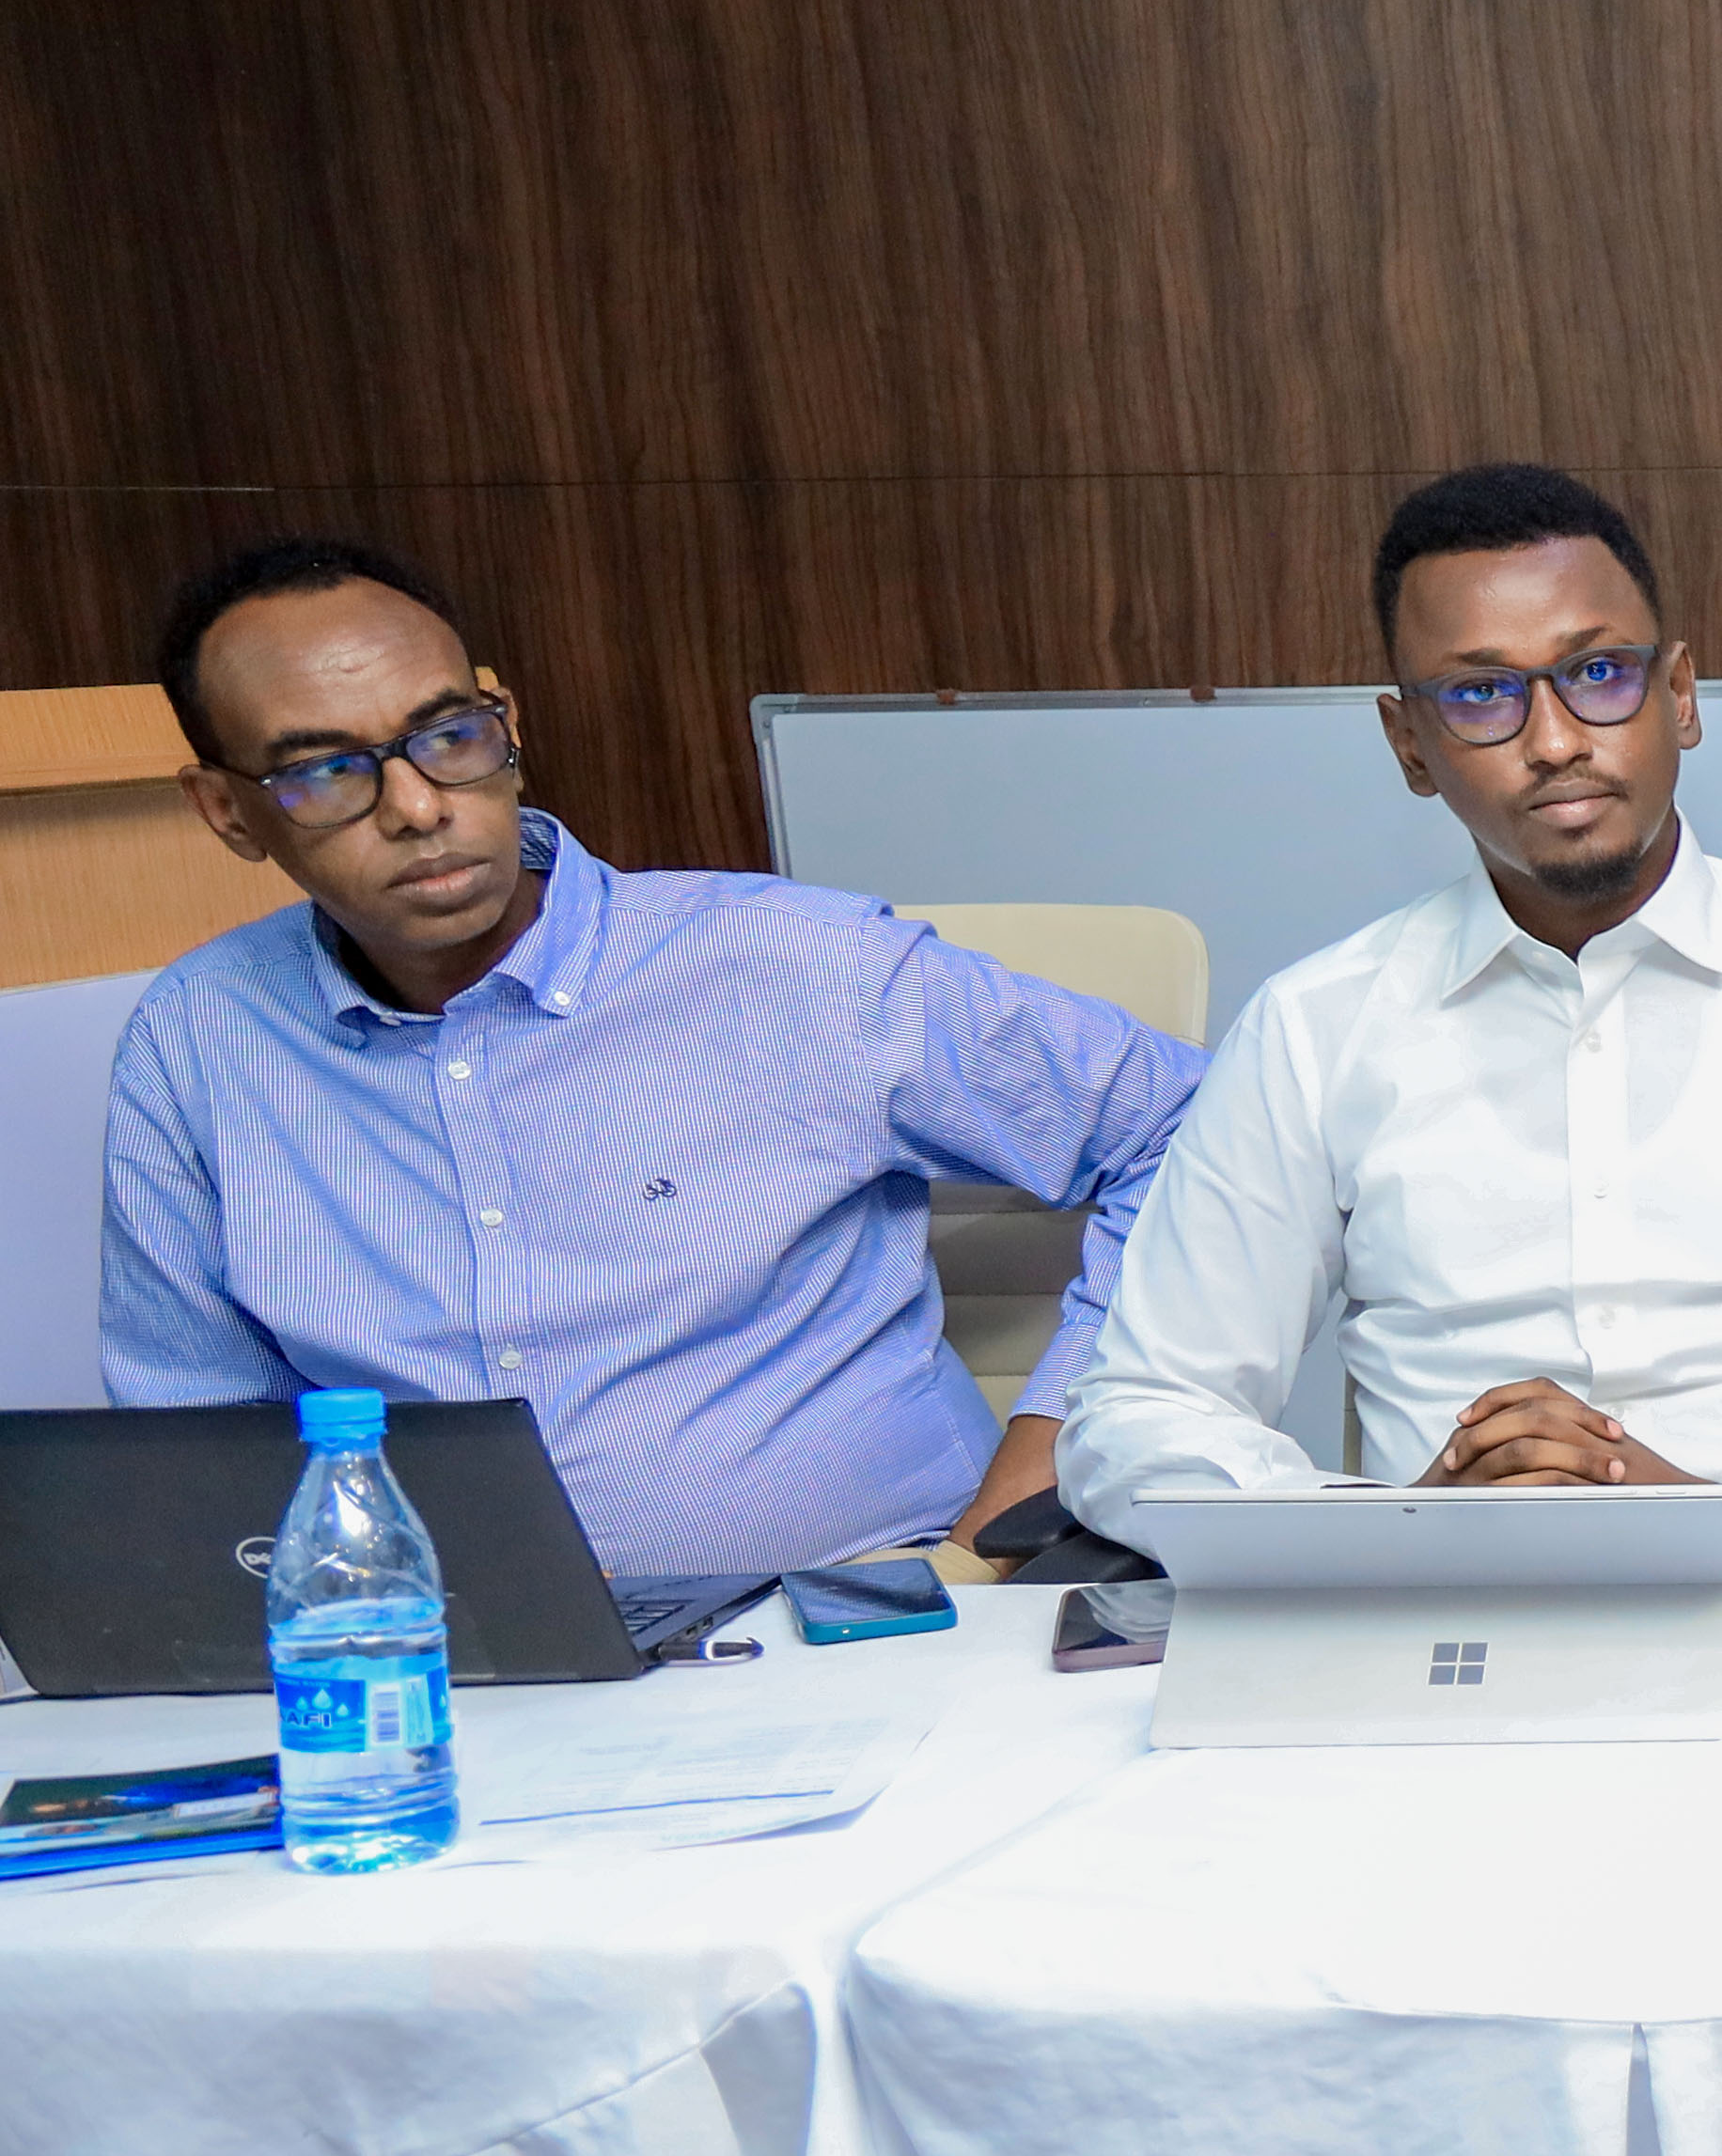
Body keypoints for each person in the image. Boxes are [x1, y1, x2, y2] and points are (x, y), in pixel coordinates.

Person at [1057, 463, 1722, 1564]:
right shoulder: (1314, 1030)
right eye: (1480, 695)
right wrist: (1400, 1527)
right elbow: (1134, 1420)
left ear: (1681, 695)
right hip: (1451, 1612)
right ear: (1409, 745)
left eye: (1599, 673)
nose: (1555, 740)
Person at [101, 534, 1195, 1576]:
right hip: (453, 1651)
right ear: (226, 812)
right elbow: (201, 1435)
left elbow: (1195, 1132)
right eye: (327, 771)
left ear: (508, 725)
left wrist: (1035, 1477)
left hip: (872, 1608)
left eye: (450, 735)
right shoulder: (200, 1039)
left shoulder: (798, 964)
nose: (419, 807)